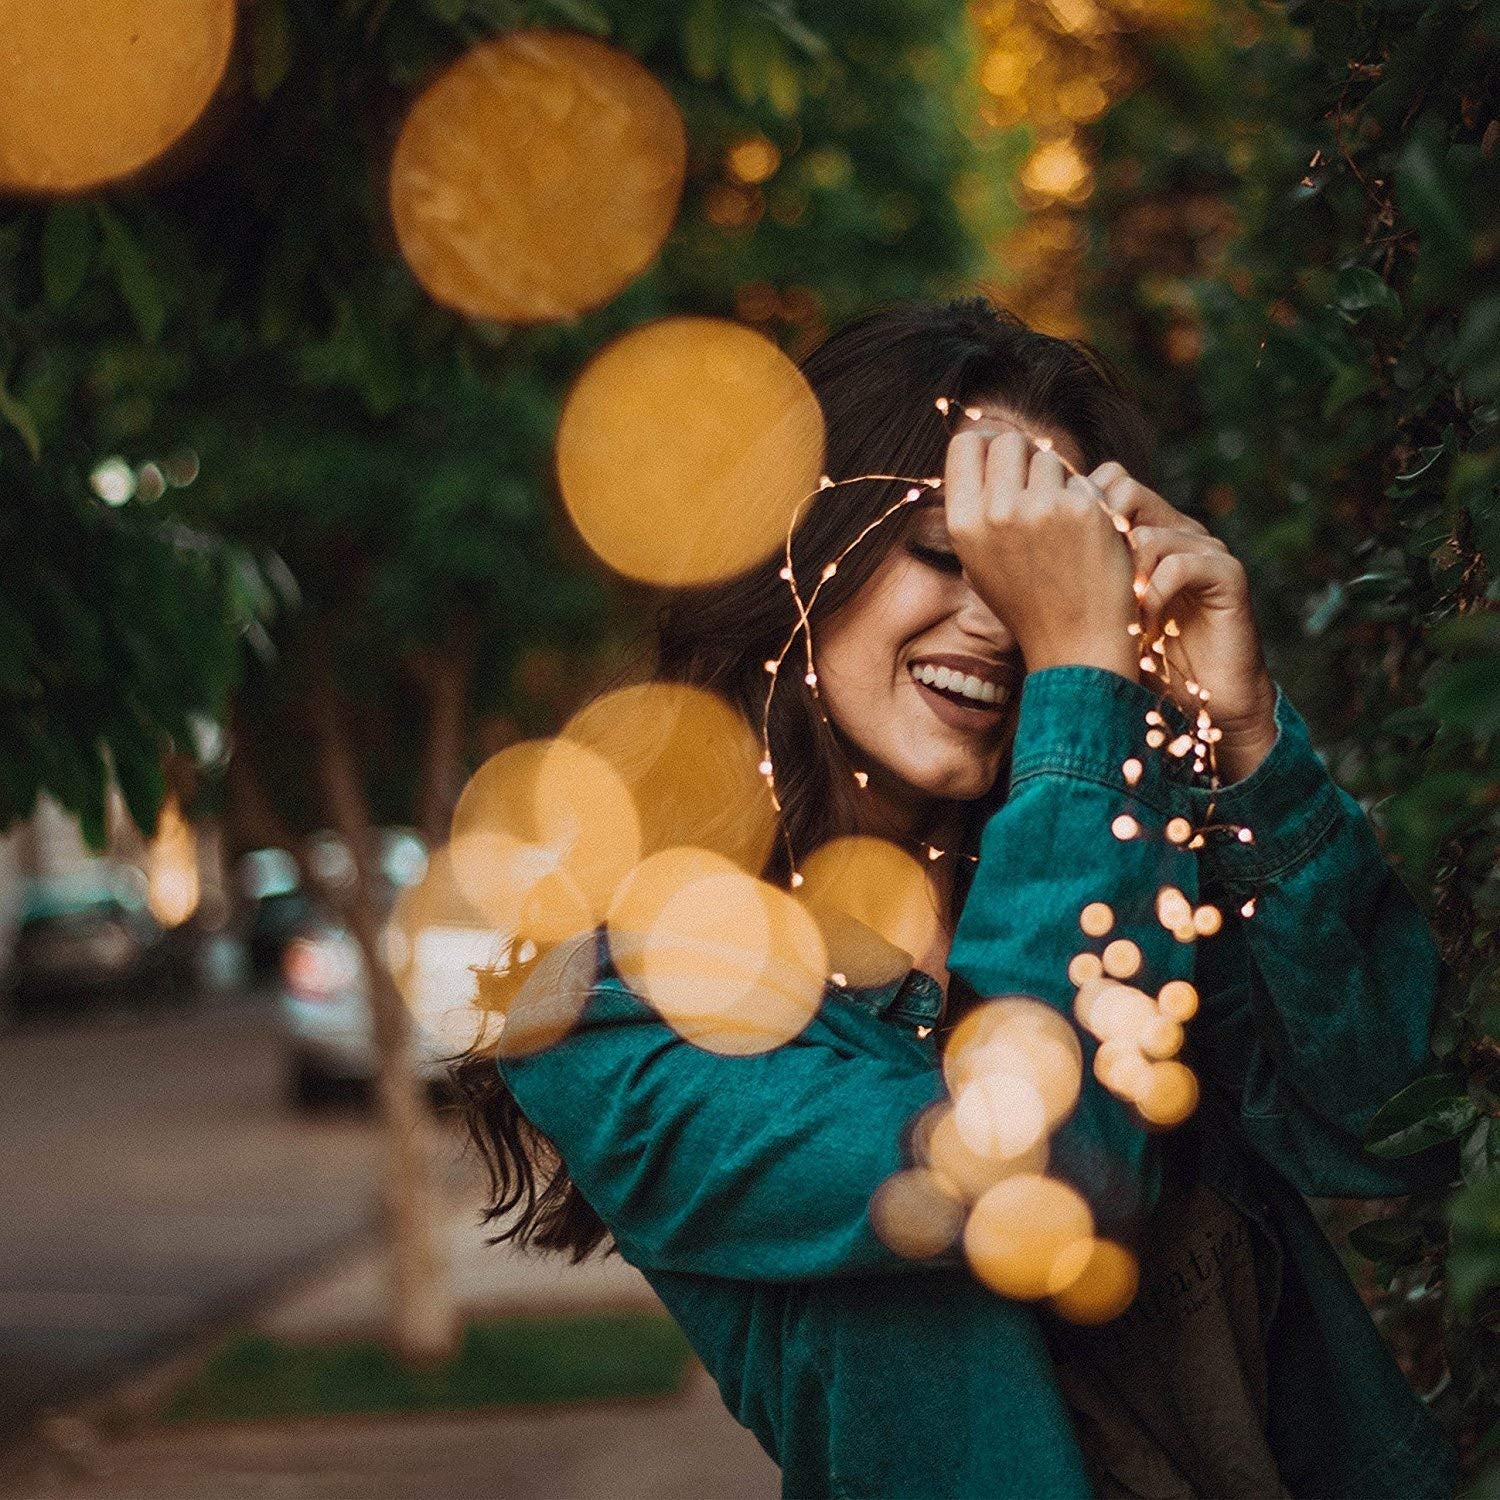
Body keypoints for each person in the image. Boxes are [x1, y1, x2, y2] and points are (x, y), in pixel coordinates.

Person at [453, 298, 1459, 1498]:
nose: (1000, 622)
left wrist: (1245, 740)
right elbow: (1041, 1169)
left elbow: (1397, 1122)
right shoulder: (625, 1000)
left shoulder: (1123, 853)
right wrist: (1087, 674)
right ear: (797, 553)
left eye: (1045, 580)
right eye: (947, 552)